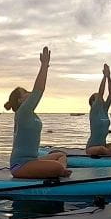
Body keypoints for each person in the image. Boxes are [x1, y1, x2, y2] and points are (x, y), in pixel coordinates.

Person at [4, 46, 70, 179]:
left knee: (60, 155)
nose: (30, 93)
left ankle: (58, 170)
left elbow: (36, 92)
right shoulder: (22, 112)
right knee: (57, 166)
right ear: (20, 100)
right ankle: (58, 170)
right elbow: (39, 90)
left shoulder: (31, 113)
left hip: (33, 160)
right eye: (25, 93)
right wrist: (44, 65)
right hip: (20, 165)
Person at [85, 63, 111, 156]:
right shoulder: (93, 111)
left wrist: (109, 77)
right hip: (92, 148)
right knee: (101, 149)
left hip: (104, 146)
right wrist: (104, 77)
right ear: (93, 102)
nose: (101, 98)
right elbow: (101, 92)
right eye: (97, 97)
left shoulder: (104, 110)